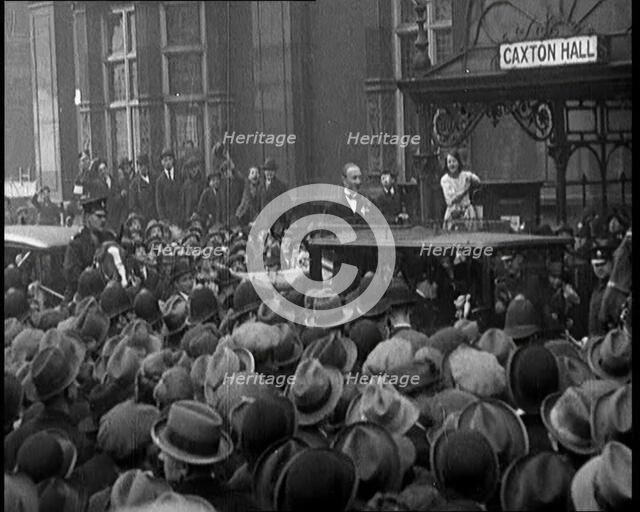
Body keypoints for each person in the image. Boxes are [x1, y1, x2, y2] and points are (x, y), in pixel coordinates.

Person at [62, 195, 116, 302]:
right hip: (81, 297)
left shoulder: (109, 238)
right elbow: (73, 276)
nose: (103, 220)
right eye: (98, 217)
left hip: (108, 293)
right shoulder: (76, 244)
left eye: (104, 216)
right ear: (87, 217)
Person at [439, 150, 480, 228]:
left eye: (454, 161)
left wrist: (473, 181)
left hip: (468, 212)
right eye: (449, 162)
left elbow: (477, 181)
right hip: (452, 213)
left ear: (458, 162)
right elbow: (452, 199)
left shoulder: (465, 175)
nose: (452, 164)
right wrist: (465, 190)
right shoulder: (445, 180)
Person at [155, 149, 183, 227]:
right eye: (165, 160)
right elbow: (159, 202)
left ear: (173, 161)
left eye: (170, 159)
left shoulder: (180, 176)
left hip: (180, 217)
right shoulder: (159, 181)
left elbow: (183, 197)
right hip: (167, 219)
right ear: (162, 162)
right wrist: (163, 219)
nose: (168, 162)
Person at [129, 154, 157, 224]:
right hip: (143, 219)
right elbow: (133, 205)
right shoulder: (134, 184)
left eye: (145, 165)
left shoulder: (155, 179)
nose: (143, 168)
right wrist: (141, 217)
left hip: (156, 218)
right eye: (140, 166)